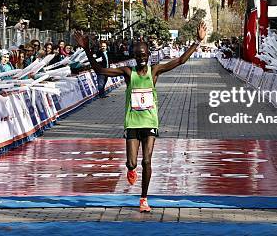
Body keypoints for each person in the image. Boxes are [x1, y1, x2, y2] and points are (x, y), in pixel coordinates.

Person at [74, 21, 207, 213]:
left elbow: (179, 61)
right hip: (132, 123)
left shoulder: (155, 70)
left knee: (147, 161)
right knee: (132, 162)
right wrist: (87, 49)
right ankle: (130, 169)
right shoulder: (128, 73)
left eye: (144, 55)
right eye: (138, 56)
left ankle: (143, 198)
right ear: (133, 57)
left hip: (150, 122)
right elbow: (100, 71)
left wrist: (197, 42)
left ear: (149, 55)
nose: (141, 58)